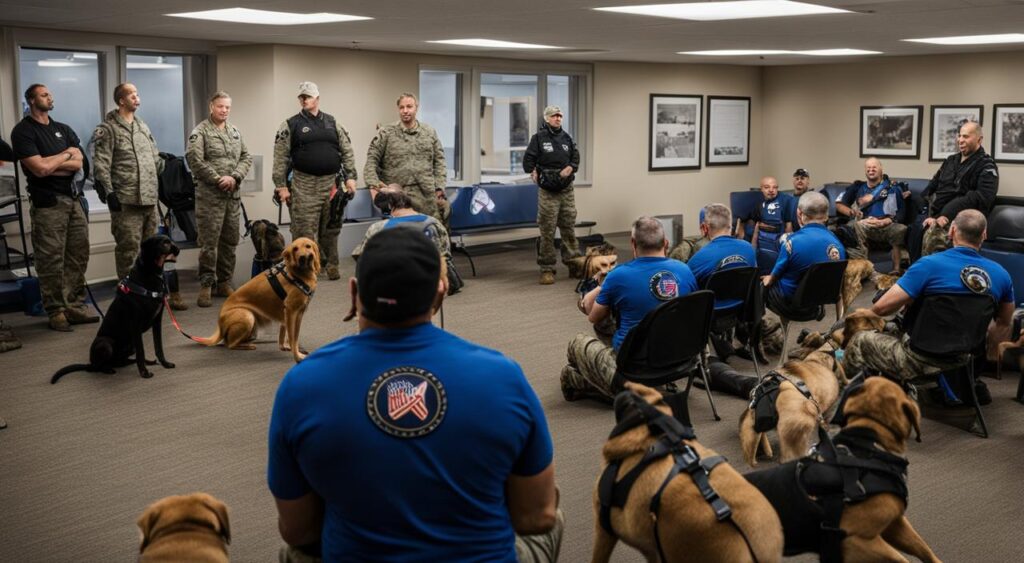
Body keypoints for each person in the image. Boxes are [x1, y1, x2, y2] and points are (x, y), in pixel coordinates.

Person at [268, 227, 561, 563]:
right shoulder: (504, 375)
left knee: (292, 552)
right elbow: (535, 518)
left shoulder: (301, 384)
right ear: (442, 292)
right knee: (553, 507)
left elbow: (298, 530)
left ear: (353, 293)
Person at [844, 209, 1014, 382]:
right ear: (984, 235)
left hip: (918, 360)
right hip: (965, 360)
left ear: (952, 230)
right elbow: (1004, 323)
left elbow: (880, 308)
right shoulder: (1001, 275)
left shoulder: (928, 265)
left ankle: (849, 394)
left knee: (861, 340)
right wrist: (984, 358)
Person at [561, 216, 698, 402]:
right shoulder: (684, 270)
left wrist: (603, 286)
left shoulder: (618, 276)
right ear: (665, 243)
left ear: (633, 243)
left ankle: (580, 378)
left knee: (576, 343)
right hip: (677, 359)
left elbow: (593, 316)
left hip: (635, 365)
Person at [10, 84, 97, 331]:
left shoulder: (63, 129)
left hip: (74, 199)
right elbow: (39, 169)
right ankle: (55, 310)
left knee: (78, 255)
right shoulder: (23, 132)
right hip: (48, 204)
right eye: (44, 94)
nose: (50, 97)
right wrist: (64, 156)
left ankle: (74, 306)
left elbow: (81, 163)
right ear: (31, 99)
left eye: (50, 94)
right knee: (50, 259)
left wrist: (56, 161)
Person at [92, 83, 175, 300]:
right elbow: (101, 163)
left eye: (138, 94)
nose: (137, 98)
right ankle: (129, 294)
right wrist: (109, 192)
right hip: (126, 201)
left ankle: (152, 292)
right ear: (121, 100)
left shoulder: (142, 126)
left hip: (149, 200)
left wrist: (164, 163)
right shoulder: (108, 128)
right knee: (128, 250)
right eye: (133, 95)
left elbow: (154, 157)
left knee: (153, 252)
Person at [273, 81, 358, 281]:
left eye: (308, 96)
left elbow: (347, 151)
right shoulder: (290, 124)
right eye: (302, 97)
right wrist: (281, 186)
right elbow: (280, 157)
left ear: (317, 98)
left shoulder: (332, 122)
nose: (305, 100)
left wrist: (351, 177)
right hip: (303, 184)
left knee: (331, 228)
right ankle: (303, 271)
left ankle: (331, 265)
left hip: (331, 183)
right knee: (304, 230)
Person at [186, 91, 252, 307]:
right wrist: (217, 179)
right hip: (210, 197)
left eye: (227, 107)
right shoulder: (200, 132)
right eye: (220, 106)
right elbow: (194, 160)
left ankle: (224, 282)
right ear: (211, 107)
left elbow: (246, 157)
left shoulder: (235, 132)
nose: (224, 110)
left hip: (231, 196)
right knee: (209, 243)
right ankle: (206, 284)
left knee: (229, 241)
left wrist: (235, 177)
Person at [351, 184, 463, 294]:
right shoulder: (434, 223)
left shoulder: (378, 228)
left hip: (394, 287)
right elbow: (446, 257)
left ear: (389, 207)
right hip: (432, 284)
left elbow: (365, 258)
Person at [914, 121, 998, 259]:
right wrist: (929, 214)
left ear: (979, 139)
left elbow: (982, 197)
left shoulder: (986, 165)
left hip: (965, 220)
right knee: (915, 228)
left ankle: (935, 278)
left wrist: (947, 215)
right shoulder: (950, 160)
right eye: (959, 136)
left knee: (934, 234)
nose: (960, 140)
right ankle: (913, 274)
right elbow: (933, 186)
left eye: (966, 137)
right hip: (936, 214)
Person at [364, 93, 449, 225]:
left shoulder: (429, 132)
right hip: (398, 198)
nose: (405, 111)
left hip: (426, 197)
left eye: (409, 107)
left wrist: (439, 187)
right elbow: (371, 160)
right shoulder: (386, 133)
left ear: (416, 108)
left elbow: (439, 162)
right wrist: (374, 185)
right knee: (401, 237)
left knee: (430, 234)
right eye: (402, 107)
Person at [523, 105, 582, 285]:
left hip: (566, 190)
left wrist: (571, 167)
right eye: (554, 116)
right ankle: (547, 268)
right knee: (547, 230)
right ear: (547, 118)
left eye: (560, 116)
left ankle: (574, 263)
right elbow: (528, 160)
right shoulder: (538, 138)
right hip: (548, 191)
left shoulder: (567, 138)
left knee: (568, 227)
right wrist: (532, 171)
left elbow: (575, 158)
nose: (558, 119)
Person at [762, 191, 846, 320]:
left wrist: (766, 279)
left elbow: (773, 278)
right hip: (816, 306)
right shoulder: (837, 243)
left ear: (799, 214)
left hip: (790, 306)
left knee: (761, 284)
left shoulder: (791, 242)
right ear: (826, 215)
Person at [834, 158, 907, 273]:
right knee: (854, 226)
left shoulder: (892, 187)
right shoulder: (858, 187)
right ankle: (862, 270)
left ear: (881, 169)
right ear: (865, 170)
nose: (871, 170)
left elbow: (901, 214)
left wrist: (884, 221)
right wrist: (853, 212)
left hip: (887, 224)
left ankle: (896, 269)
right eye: (868, 167)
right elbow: (839, 204)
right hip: (865, 224)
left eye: (874, 167)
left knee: (900, 229)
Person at [687, 204, 756, 310]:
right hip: (740, 308)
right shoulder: (748, 248)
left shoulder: (698, 258)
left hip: (710, 315)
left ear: (705, 228)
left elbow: (688, 291)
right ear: (731, 226)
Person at [751, 176, 795, 253]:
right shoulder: (759, 203)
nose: (771, 190)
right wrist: (753, 249)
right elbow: (755, 225)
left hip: (780, 241)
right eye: (767, 187)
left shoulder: (785, 201)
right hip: (763, 242)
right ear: (761, 189)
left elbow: (789, 228)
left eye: (775, 187)